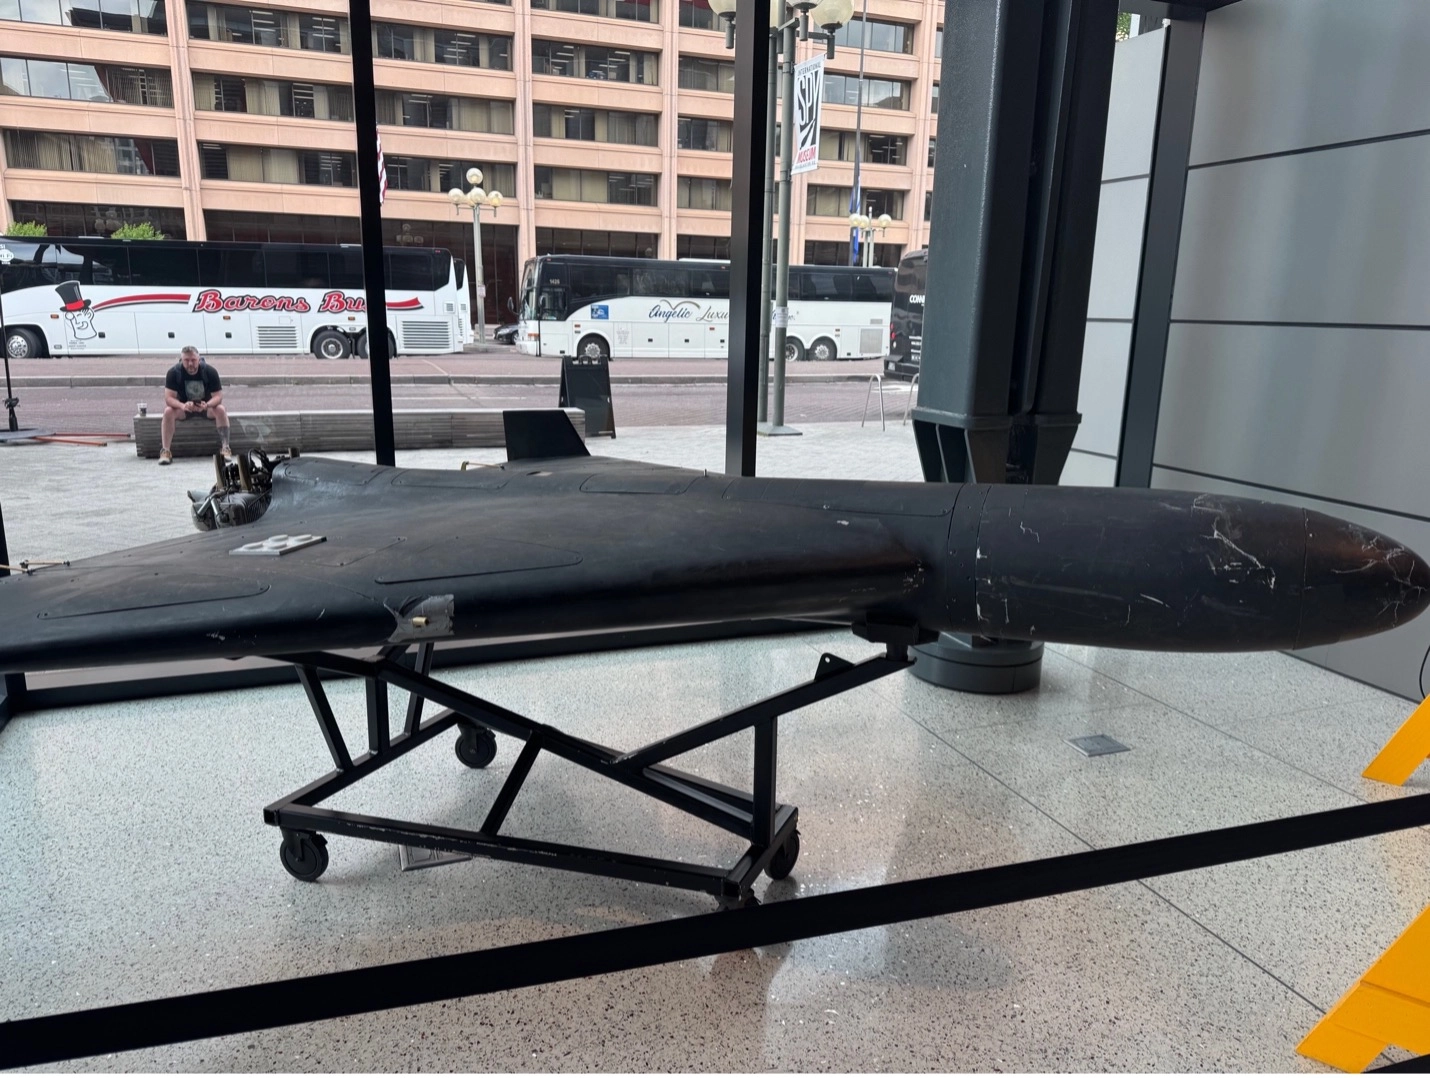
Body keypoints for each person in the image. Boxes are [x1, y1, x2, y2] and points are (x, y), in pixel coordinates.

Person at [159, 345, 230, 465]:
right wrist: (182, 406)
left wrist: (207, 405)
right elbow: (168, 398)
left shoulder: (210, 372)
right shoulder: (174, 373)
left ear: (199, 359)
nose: (190, 364)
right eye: (186, 360)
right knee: (168, 411)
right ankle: (165, 451)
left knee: (221, 410)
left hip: (206, 407)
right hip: (184, 408)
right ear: (181, 360)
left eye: (193, 360)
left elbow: (218, 397)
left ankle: (225, 447)